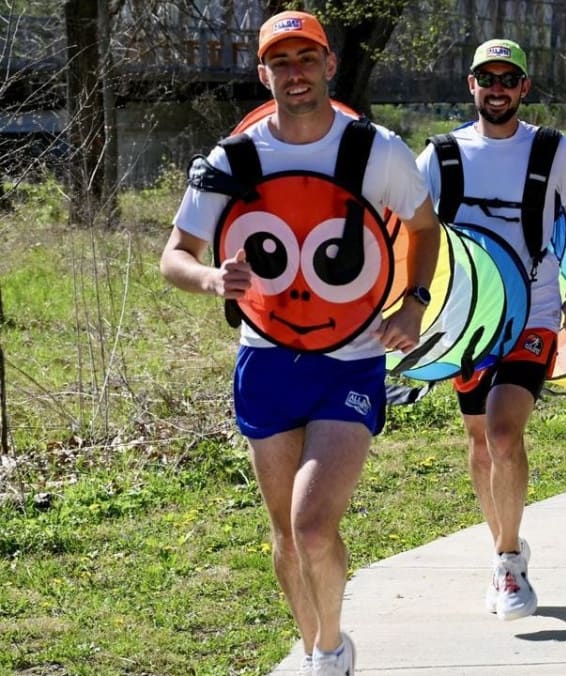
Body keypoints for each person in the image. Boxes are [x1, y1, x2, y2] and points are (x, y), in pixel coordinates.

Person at [160, 11, 440, 675]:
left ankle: (331, 646)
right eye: (280, 62)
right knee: (285, 532)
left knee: (313, 524)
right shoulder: (235, 160)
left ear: (328, 66)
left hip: (350, 358)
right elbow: (173, 255)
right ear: (264, 74)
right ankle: (316, 646)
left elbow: (425, 229)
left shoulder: (377, 150)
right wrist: (210, 279)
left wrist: (415, 303)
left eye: (306, 58)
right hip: (265, 361)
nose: (295, 73)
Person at [415, 39, 566, 621]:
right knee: (478, 441)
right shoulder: (441, 155)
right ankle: (509, 543)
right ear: (471, 85)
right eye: (486, 78)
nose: (497, 88)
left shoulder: (551, 150)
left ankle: (505, 564)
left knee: (501, 432)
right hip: (466, 326)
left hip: (535, 313)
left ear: (524, 88)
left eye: (509, 79)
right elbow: (412, 230)